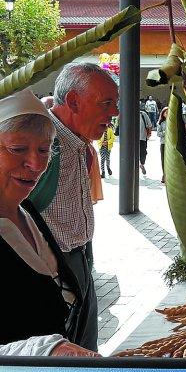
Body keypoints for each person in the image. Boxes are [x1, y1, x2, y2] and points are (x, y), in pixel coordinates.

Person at [0, 89, 99, 357]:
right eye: (18, 149)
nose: (35, 163)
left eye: (44, 150)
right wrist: (46, 350)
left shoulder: (27, 211)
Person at [28, 63, 119, 352]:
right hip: (49, 274)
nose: (114, 112)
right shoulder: (41, 144)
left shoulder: (78, 143)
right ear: (73, 102)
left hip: (78, 263)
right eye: (107, 103)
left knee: (84, 352)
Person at [139, 106, 153, 175]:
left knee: (143, 152)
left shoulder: (143, 114)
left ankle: (142, 164)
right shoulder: (129, 114)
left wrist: (149, 134)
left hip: (142, 137)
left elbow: (150, 125)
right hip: (132, 139)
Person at [156, 107, 168, 183]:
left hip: (172, 144)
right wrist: (165, 132)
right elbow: (158, 134)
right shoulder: (160, 123)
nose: (167, 114)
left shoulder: (173, 121)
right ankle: (164, 175)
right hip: (163, 143)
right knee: (163, 160)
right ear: (163, 114)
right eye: (166, 112)